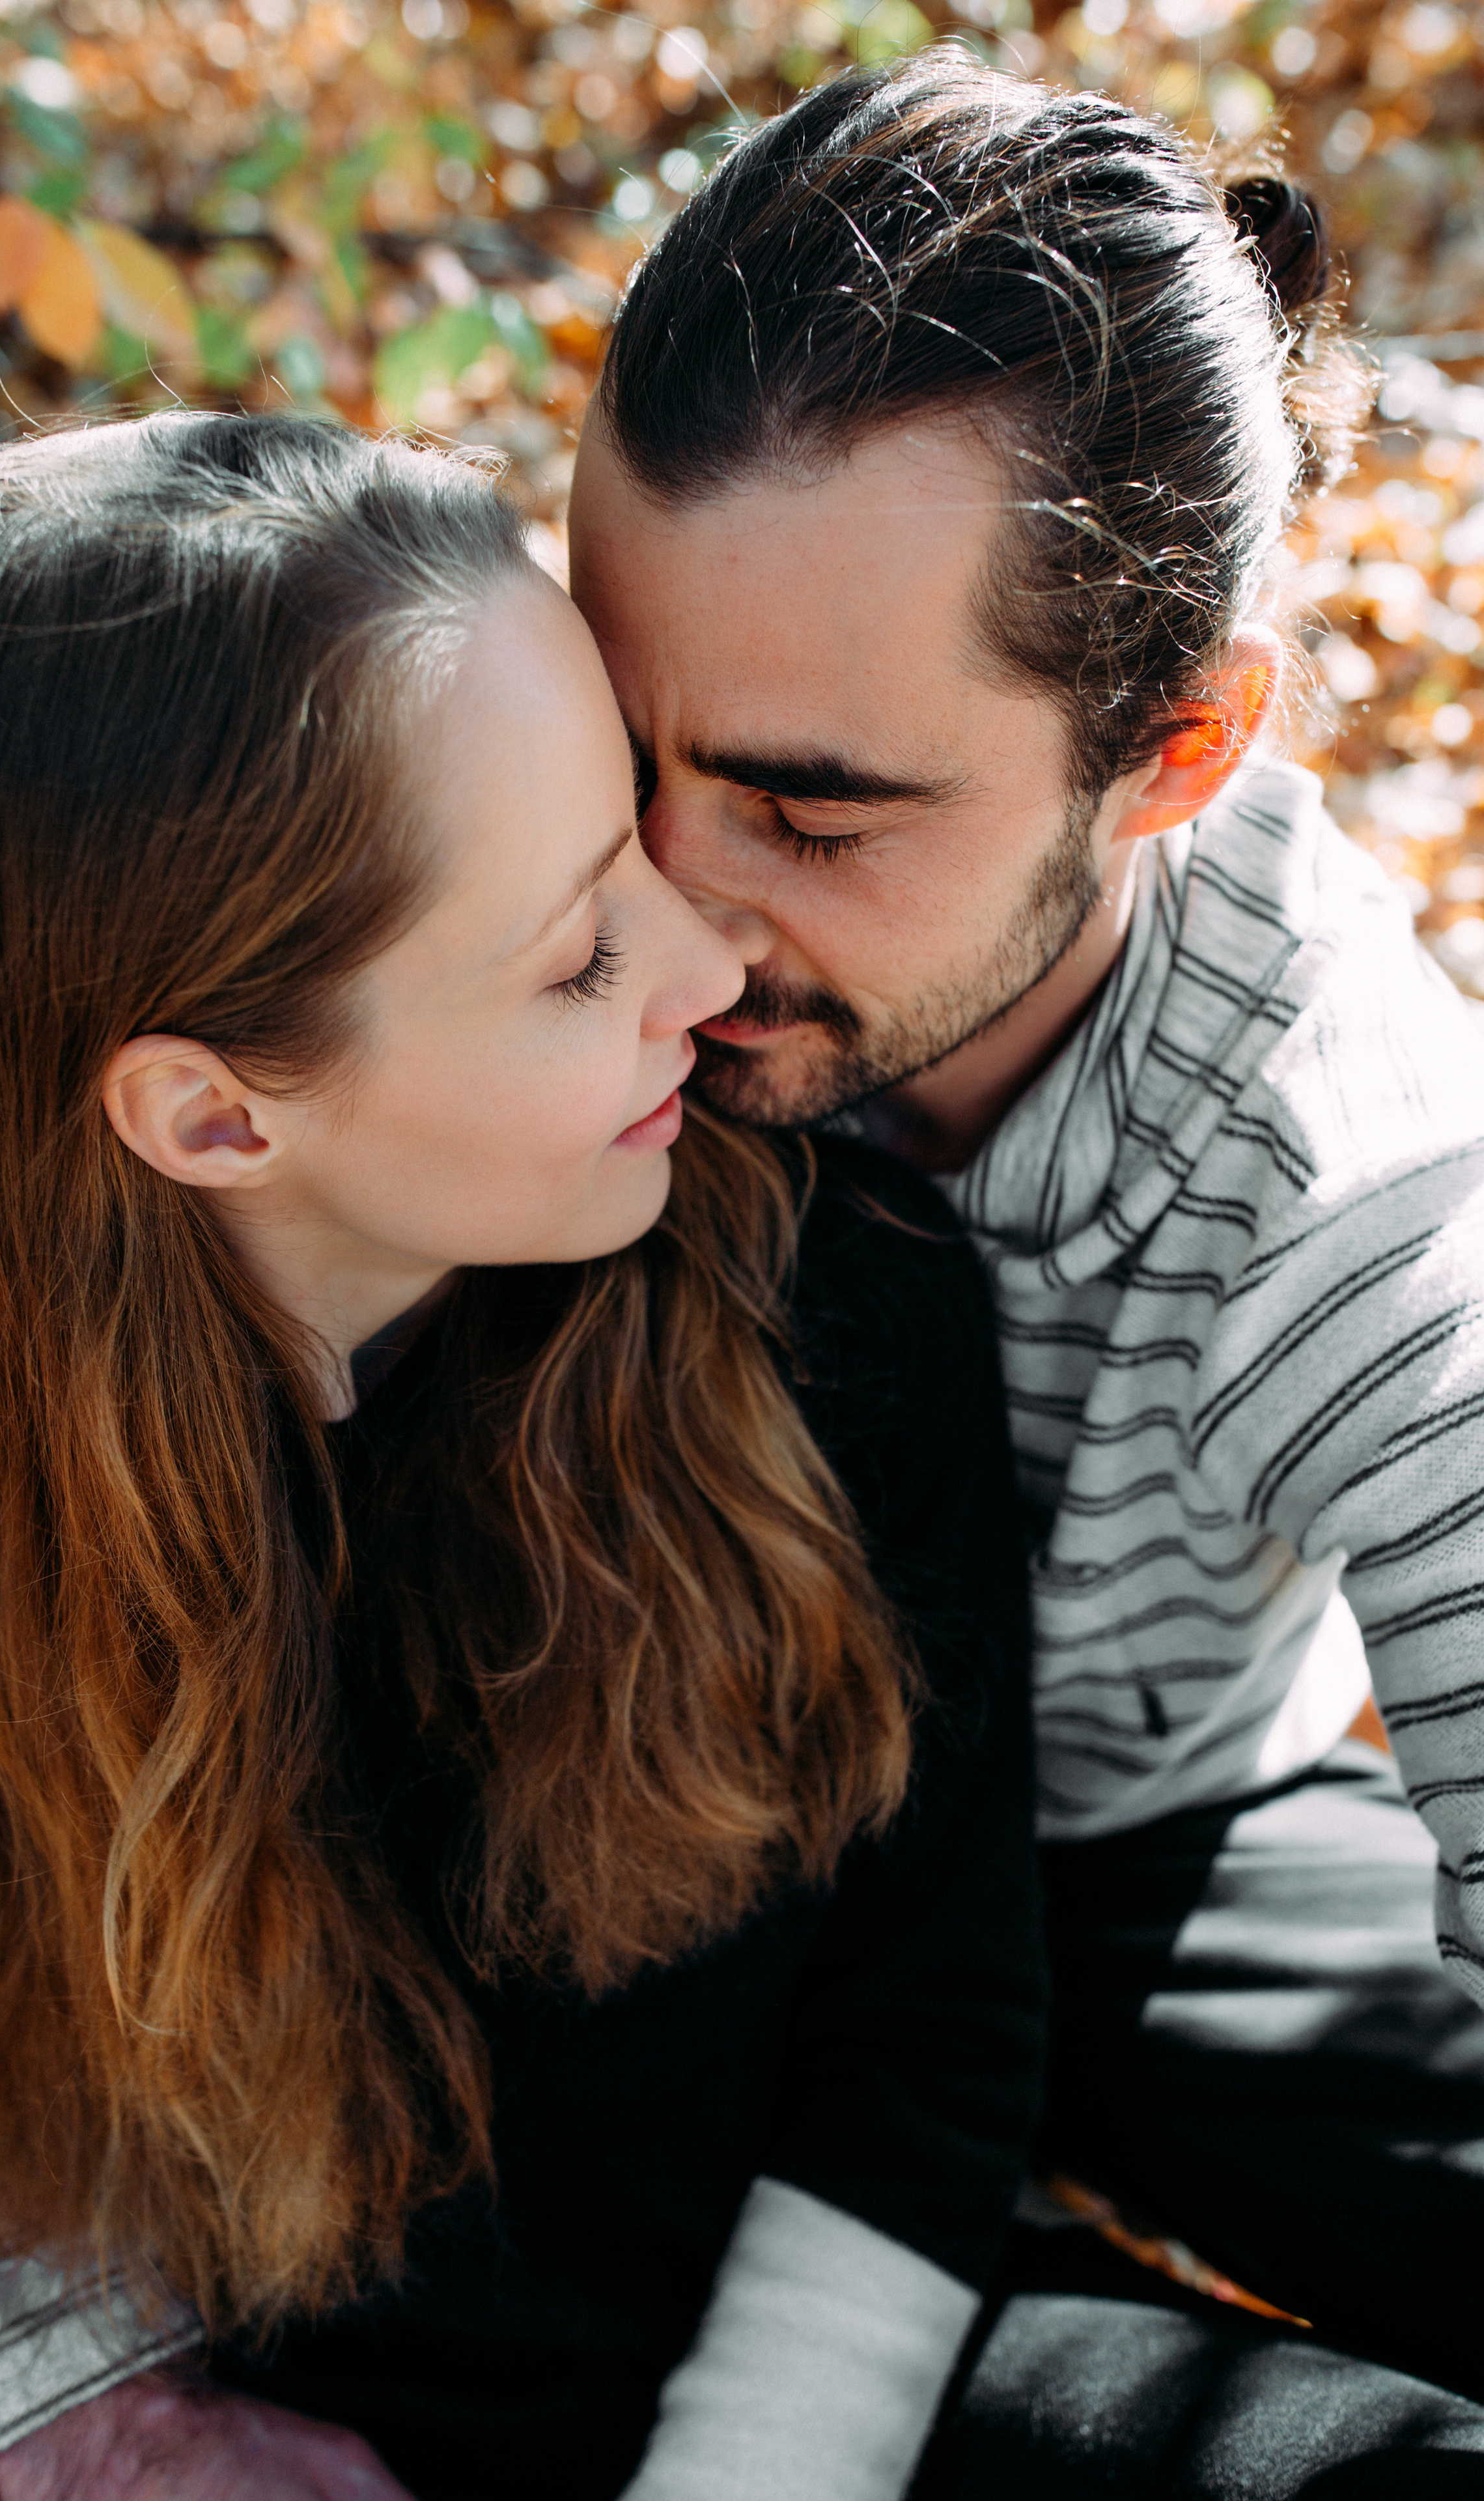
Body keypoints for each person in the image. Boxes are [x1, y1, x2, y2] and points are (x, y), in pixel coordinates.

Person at [0, 412, 1046, 2501]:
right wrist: (106, 2423)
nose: (712, 966)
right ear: (212, 1118)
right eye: (578, 953)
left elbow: (924, 2050)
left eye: (636, 848)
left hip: (836, 2410)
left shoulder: (836, 1314)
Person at [563, 44, 1484, 2492]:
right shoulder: (481, 828)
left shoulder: (1355, 1208)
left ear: (1174, 750)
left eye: (809, 809)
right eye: (613, 736)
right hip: (642, 1861)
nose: (659, 906)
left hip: (1147, 1853)